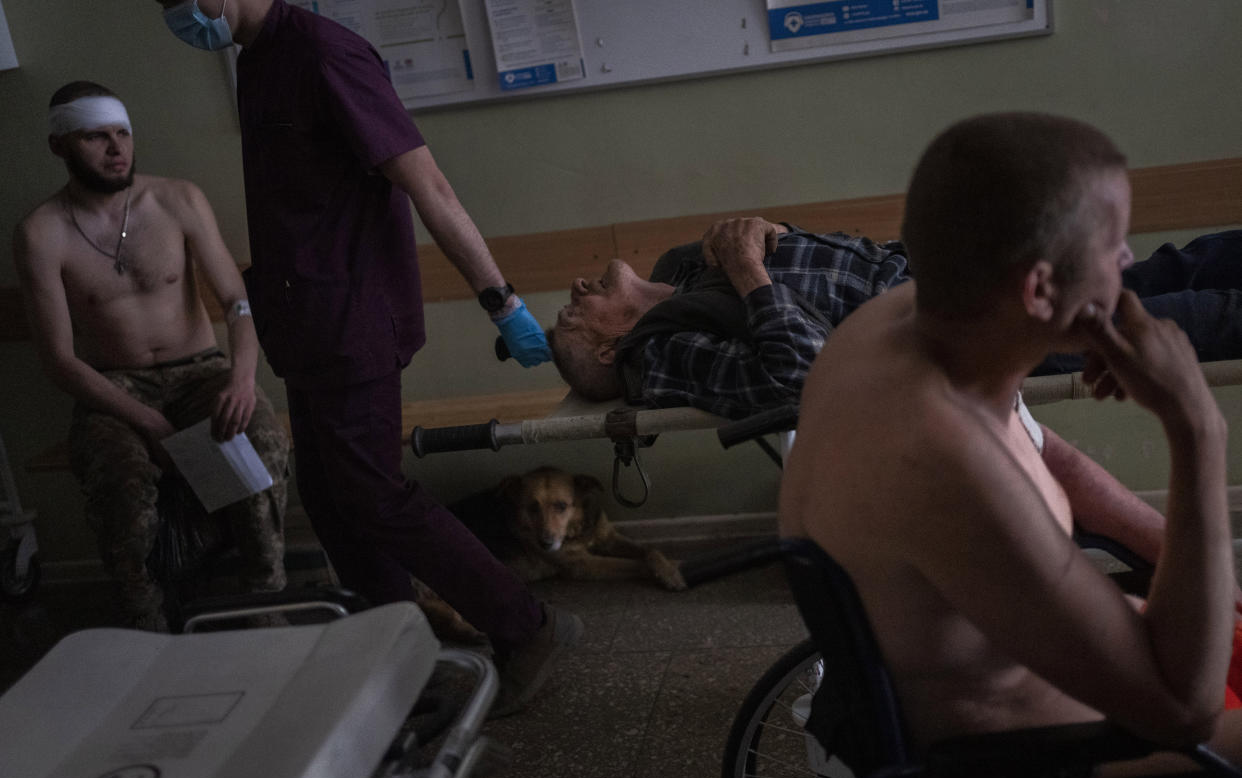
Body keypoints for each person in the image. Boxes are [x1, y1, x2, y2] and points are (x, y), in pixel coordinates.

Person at [779, 111, 1242, 768]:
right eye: (1114, 244)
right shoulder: (939, 455)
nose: (1129, 259)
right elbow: (1181, 712)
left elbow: (1033, 448)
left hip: (1085, 680)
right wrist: (1196, 426)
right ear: (1041, 288)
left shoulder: (897, 325)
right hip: (1043, 763)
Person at [153, 0, 578, 714]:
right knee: (330, 495)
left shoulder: (327, 53)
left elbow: (428, 184)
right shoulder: (255, 60)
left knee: (372, 490)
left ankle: (530, 627)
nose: (178, 12)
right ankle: (403, 652)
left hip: (353, 318)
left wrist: (501, 300)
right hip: (307, 322)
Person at [13, 81, 288, 631]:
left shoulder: (177, 200)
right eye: (96, 137)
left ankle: (268, 604)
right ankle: (150, 630)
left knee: (254, 446)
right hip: (114, 388)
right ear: (59, 146)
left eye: (123, 134)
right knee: (122, 490)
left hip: (202, 373)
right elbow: (60, 361)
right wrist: (153, 427)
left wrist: (241, 377)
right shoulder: (40, 233)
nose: (116, 148)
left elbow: (236, 302)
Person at [548, 223, 1241, 419]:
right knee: (1190, 318)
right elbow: (798, 375)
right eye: (574, 316)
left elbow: (804, 265)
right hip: (956, 338)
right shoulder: (659, 355)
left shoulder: (684, 269)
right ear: (611, 348)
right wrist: (751, 271)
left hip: (953, 279)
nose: (577, 286)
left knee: (1178, 266)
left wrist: (765, 235)